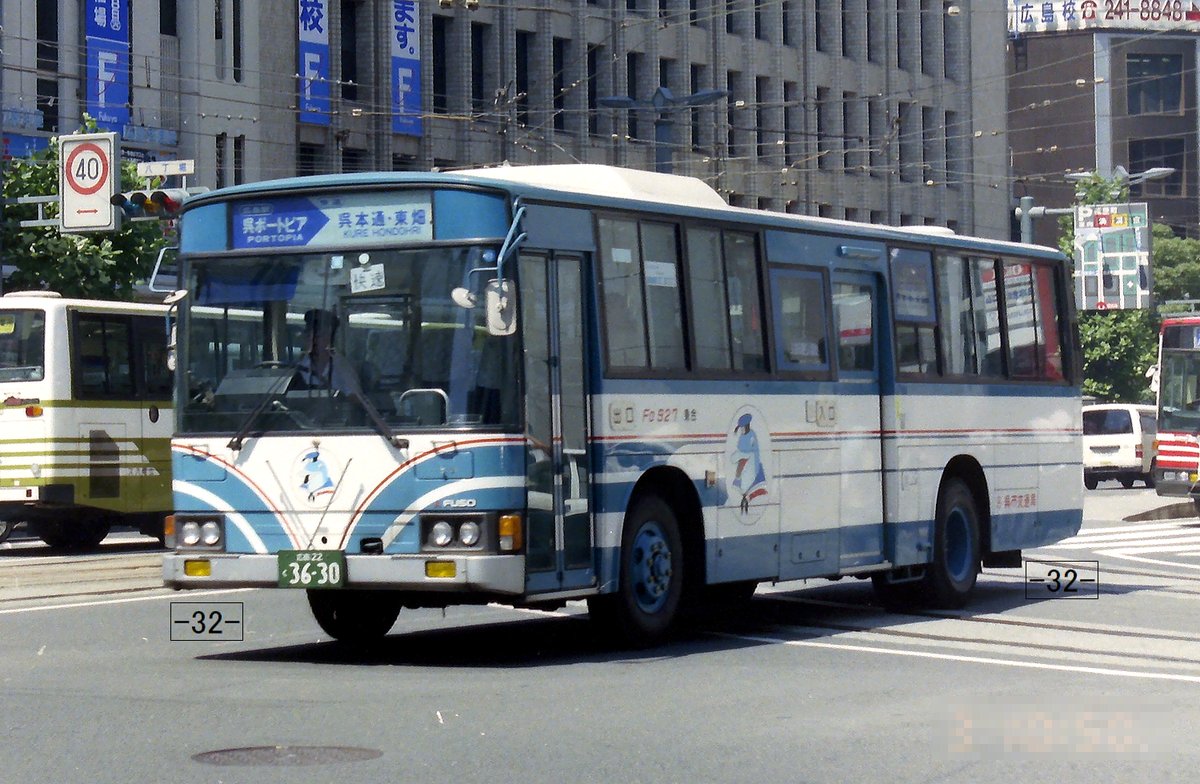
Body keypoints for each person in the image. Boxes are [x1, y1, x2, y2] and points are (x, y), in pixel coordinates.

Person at [295, 309, 361, 395]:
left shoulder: (342, 368)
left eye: (318, 336)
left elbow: (356, 398)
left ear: (329, 338)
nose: (313, 340)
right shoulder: (298, 366)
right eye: (309, 335)